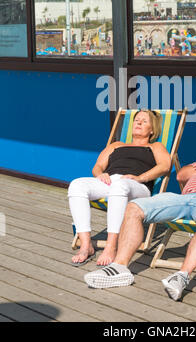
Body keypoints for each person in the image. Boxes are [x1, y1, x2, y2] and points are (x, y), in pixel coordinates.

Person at [83, 127, 196, 300]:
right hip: (186, 198)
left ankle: (181, 276)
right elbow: (182, 175)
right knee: (134, 207)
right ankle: (119, 267)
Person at [68, 110, 171, 267]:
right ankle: (85, 245)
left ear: (152, 130)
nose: (138, 123)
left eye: (144, 121)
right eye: (136, 120)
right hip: (111, 181)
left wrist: (141, 177)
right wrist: (100, 174)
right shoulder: (116, 145)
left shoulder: (155, 146)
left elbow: (165, 166)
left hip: (137, 185)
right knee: (76, 185)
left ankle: (111, 246)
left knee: (120, 185)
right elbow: (98, 166)